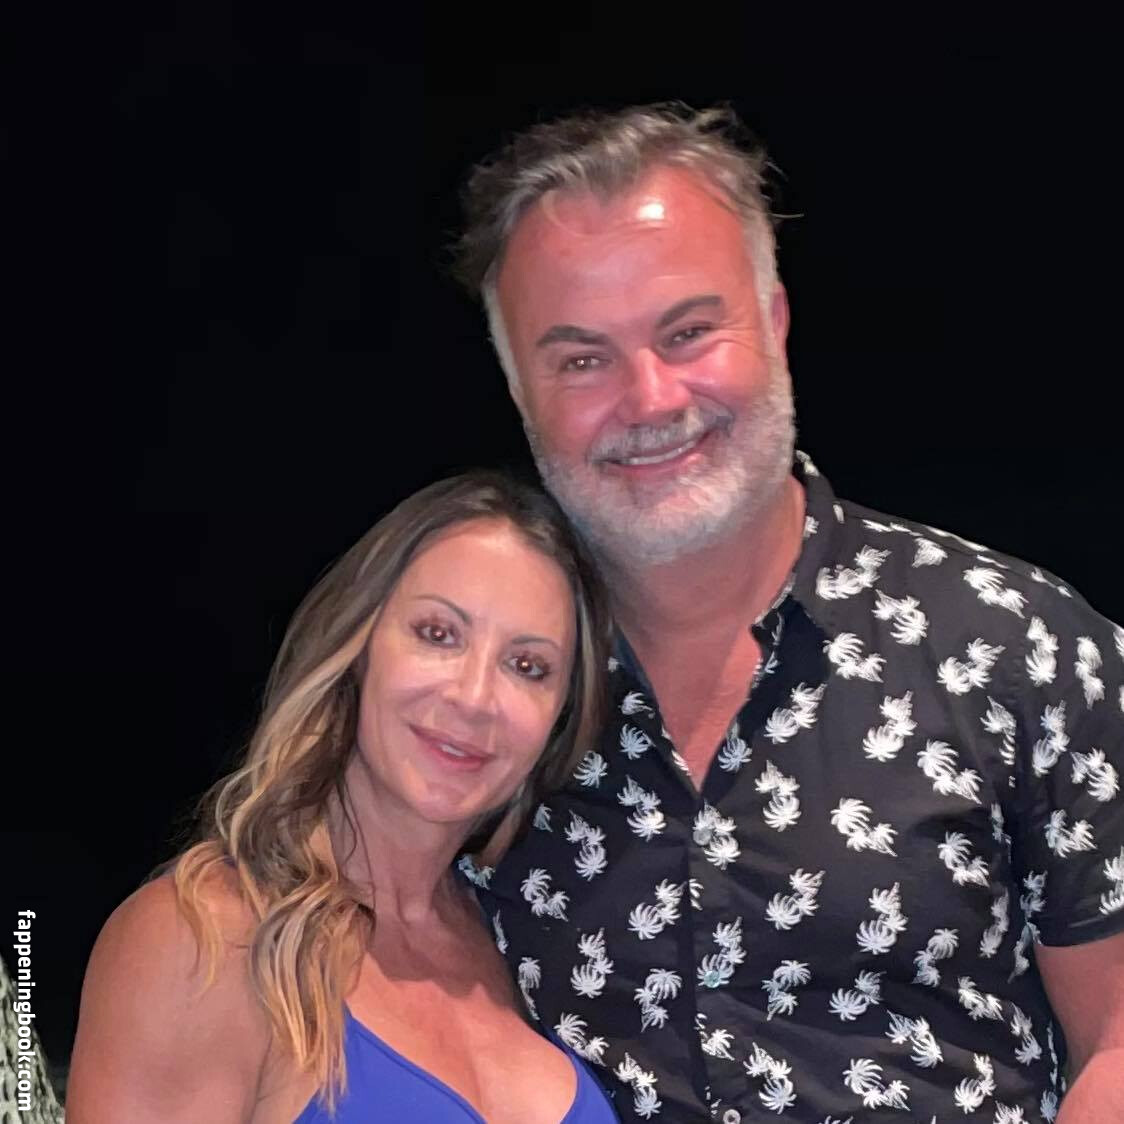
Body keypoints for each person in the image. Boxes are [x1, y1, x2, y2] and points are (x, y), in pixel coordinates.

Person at [452, 103, 1124, 1121]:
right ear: (517, 386)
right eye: (581, 358)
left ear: (772, 320)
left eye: (688, 332)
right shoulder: (468, 693)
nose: (649, 398)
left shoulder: (1017, 643)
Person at [66, 472, 620, 1123]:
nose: (474, 697)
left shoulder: (519, 935)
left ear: (559, 718)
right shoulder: (204, 942)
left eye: (527, 666)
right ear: (357, 647)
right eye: (438, 633)